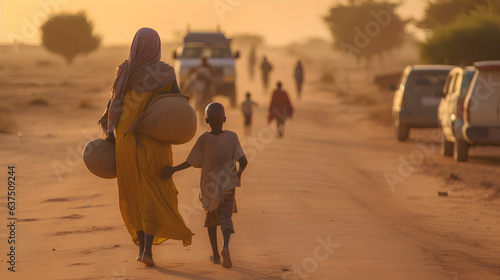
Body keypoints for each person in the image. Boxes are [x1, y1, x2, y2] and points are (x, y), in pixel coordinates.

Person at [98, 28, 193, 267]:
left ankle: (141, 250)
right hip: (154, 142)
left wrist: (110, 133)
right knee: (153, 191)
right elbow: (177, 103)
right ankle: (148, 250)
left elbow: (112, 105)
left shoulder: (125, 71)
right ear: (157, 47)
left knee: (133, 192)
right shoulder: (166, 73)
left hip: (125, 143)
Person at [161, 102, 248, 269]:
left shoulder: (204, 139)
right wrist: (238, 175)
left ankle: (215, 254)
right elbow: (243, 161)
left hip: (210, 188)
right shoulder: (232, 137)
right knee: (226, 217)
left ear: (206, 121)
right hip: (228, 186)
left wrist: (172, 170)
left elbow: (191, 161)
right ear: (224, 119)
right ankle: (225, 247)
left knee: (211, 219)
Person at [185, 56, 215, 124]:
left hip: (205, 91)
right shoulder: (200, 68)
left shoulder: (205, 68)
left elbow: (210, 79)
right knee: (201, 105)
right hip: (201, 90)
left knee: (206, 104)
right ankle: (201, 120)